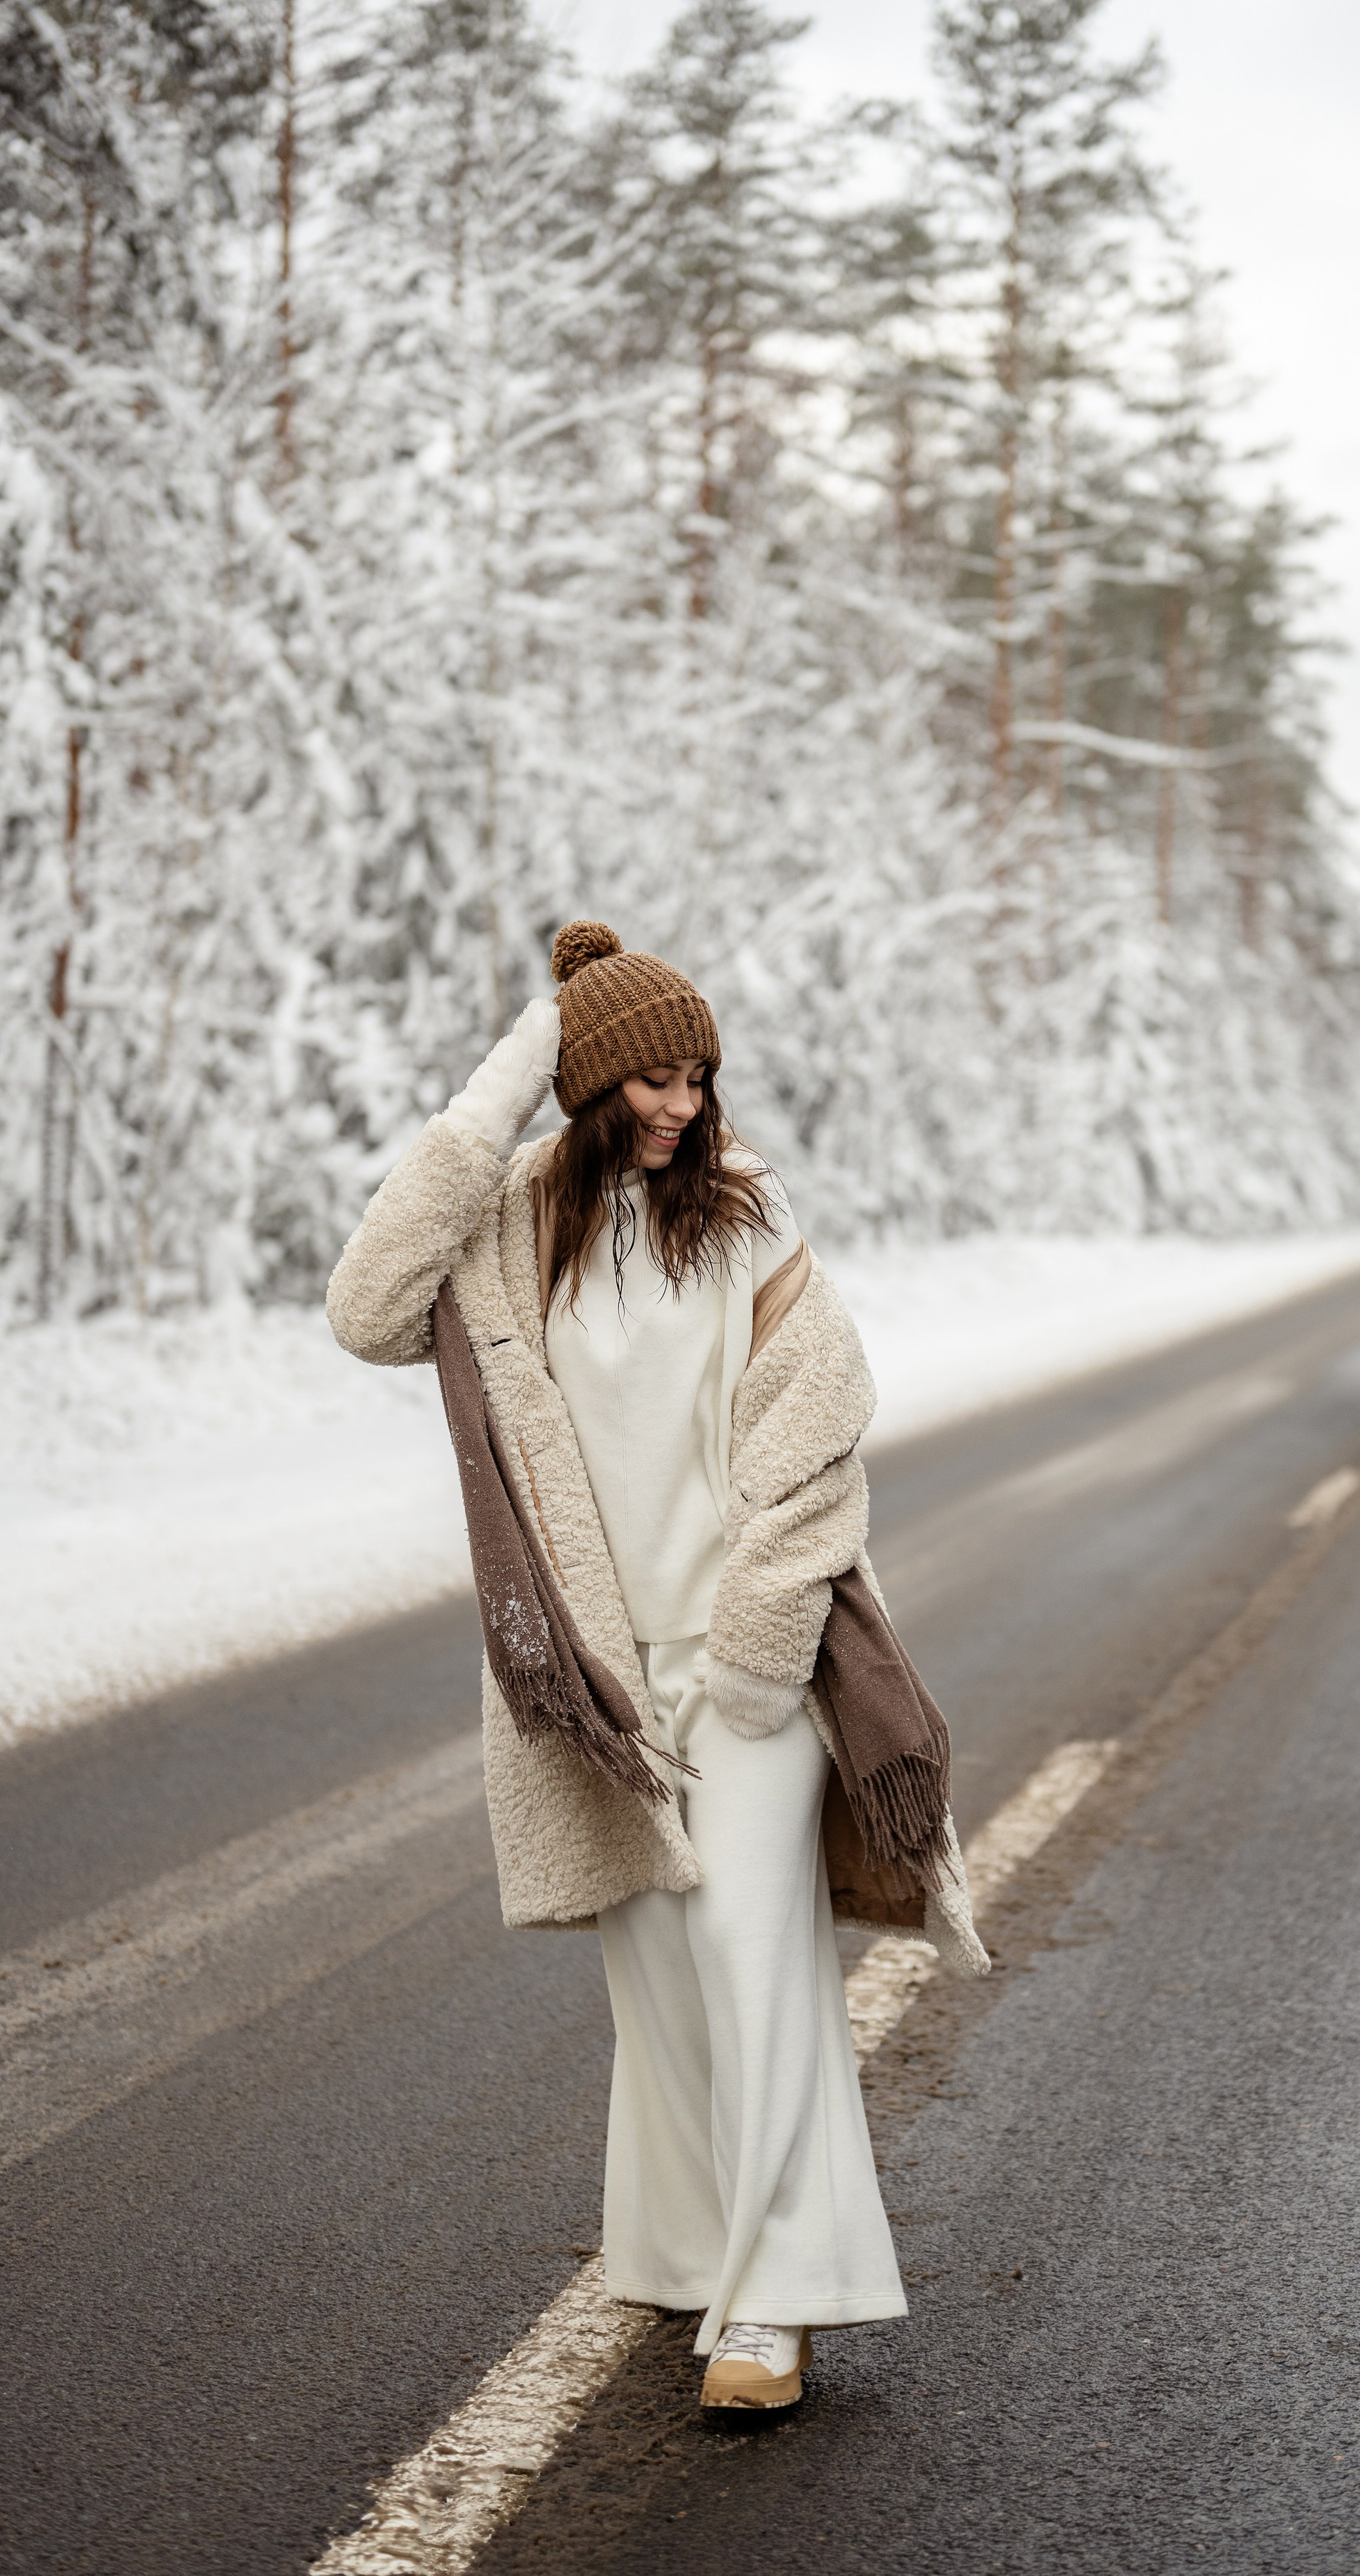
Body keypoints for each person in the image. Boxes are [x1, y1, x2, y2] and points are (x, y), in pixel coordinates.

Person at [327, 920, 985, 2411]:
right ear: (583, 1083)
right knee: (665, 1979)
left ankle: (777, 2304)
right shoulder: (507, 1222)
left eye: (698, 1077)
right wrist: (510, 1073)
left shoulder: (746, 1209)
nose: (683, 1105)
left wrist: (760, 1641)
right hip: (601, 1681)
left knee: (753, 1955)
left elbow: (818, 1421)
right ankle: (696, 2253)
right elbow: (366, 1308)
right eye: (651, 1079)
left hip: (753, 1656)